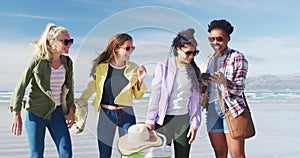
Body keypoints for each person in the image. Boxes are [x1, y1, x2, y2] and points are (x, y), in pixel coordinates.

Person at [10, 23, 76, 158]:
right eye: (65, 41)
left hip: (56, 112)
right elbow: (21, 86)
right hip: (36, 112)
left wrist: (71, 109)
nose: (69, 44)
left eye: (71, 41)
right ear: (52, 42)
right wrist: (16, 114)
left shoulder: (67, 63)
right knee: (37, 154)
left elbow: (69, 88)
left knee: (66, 153)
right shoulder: (37, 60)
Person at [78, 33, 147, 158]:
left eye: (132, 48)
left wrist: (140, 80)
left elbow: (138, 95)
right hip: (106, 115)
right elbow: (93, 86)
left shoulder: (133, 68)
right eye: (127, 48)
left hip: (127, 114)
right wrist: (80, 101)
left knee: (129, 154)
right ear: (116, 48)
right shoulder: (102, 67)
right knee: (104, 154)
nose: (130, 51)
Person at [146, 28, 202, 158]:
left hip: (183, 121)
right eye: (188, 53)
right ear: (178, 48)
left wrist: (195, 124)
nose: (192, 56)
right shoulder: (163, 66)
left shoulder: (195, 70)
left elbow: (196, 101)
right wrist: (150, 120)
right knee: (160, 156)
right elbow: (156, 94)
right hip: (163, 121)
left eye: (195, 53)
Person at [204, 19, 248, 158]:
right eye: (212, 39)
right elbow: (205, 87)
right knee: (219, 154)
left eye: (219, 38)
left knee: (237, 155)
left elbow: (239, 88)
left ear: (228, 38)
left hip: (231, 108)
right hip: (211, 110)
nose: (215, 42)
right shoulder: (209, 59)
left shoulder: (237, 57)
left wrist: (225, 82)